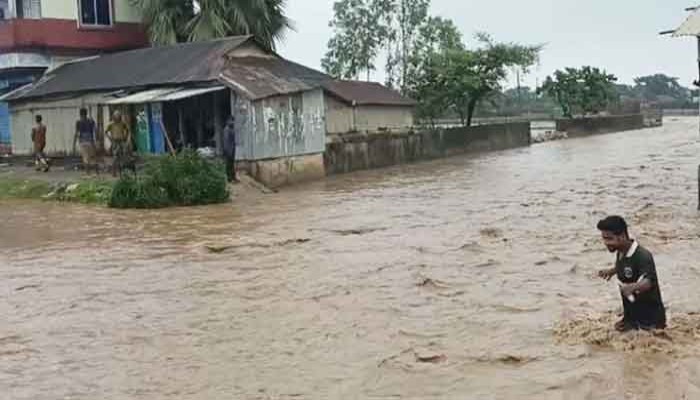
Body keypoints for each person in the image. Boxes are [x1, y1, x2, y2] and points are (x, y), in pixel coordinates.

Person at [597, 216, 666, 332]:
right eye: (603, 238)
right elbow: (625, 266)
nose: (606, 243)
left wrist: (632, 287)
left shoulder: (643, 256)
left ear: (622, 236)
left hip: (650, 319)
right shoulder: (620, 251)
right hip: (631, 315)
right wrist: (612, 271)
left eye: (609, 238)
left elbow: (648, 282)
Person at [105, 111, 132, 177]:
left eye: (118, 116)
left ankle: (123, 171)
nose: (117, 118)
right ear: (113, 117)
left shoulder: (122, 123)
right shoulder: (111, 124)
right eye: (116, 116)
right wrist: (110, 138)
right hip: (115, 142)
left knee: (124, 155)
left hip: (122, 141)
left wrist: (126, 138)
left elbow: (128, 130)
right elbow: (106, 132)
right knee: (115, 157)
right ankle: (114, 172)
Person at [74, 108, 97, 174]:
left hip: (82, 141)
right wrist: (96, 141)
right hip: (90, 141)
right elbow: (95, 131)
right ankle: (95, 172)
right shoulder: (91, 121)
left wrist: (74, 143)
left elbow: (76, 133)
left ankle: (88, 172)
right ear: (86, 113)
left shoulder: (78, 122)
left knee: (85, 157)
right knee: (92, 157)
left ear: (80, 114)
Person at [223, 116, 237, 182]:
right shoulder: (227, 129)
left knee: (232, 164)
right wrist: (227, 151)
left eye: (233, 121)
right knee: (228, 164)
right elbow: (226, 141)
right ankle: (229, 178)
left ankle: (233, 177)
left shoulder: (231, 129)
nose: (233, 122)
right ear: (228, 121)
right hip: (229, 150)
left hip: (232, 149)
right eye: (231, 121)